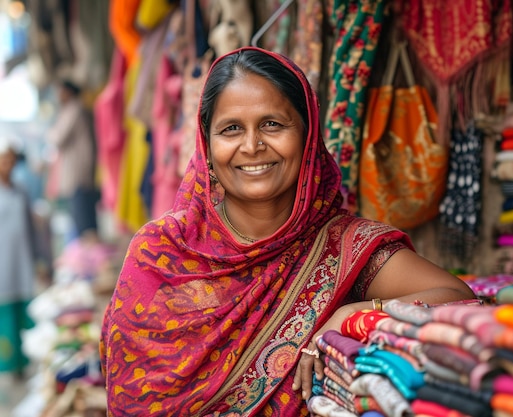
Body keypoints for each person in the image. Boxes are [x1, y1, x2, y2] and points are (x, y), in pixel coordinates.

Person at [99, 47, 476, 416]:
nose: (252, 146)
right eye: (231, 129)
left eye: (272, 124)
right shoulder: (160, 251)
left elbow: (458, 298)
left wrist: (352, 315)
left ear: (308, 136)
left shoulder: (340, 245)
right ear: (207, 148)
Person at [0, 136, 35, 380]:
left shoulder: (20, 190)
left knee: (20, 313)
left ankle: (20, 364)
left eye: (11, 159)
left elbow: (30, 227)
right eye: (4, 160)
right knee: (5, 318)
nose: (8, 164)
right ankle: (8, 365)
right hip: (2, 264)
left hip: (20, 262)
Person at [46, 79, 99, 240]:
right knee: (82, 213)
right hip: (78, 171)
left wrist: (49, 132)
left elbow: (57, 138)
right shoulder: (73, 109)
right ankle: (88, 248)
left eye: (60, 91)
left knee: (83, 215)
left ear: (68, 92)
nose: (58, 95)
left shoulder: (74, 109)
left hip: (79, 171)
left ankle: (89, 249)